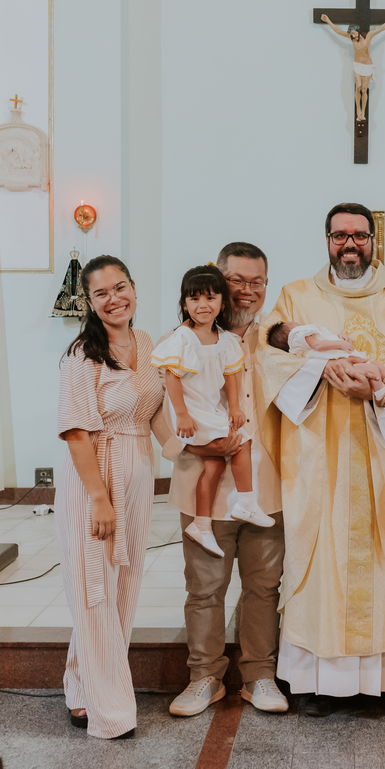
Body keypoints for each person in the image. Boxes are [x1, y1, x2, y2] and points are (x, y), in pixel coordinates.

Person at [257, 202, 385, 718]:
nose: (349, 245)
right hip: (318, 455)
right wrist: (318, 374)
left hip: (382, 448)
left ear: (374, 240)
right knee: (317, 556)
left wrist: (380, 391)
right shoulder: (296, 296)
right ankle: (315, 683)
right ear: (326, 239)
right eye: (339, 236)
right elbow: (270, 356)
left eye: (359, 236)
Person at [162, 243, 289, 717]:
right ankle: (205, 678)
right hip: (205, 486)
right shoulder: (180, 339)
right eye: (237, 280)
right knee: (205, 587)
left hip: (265, 486)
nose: (248, 291)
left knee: (263, 587)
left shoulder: (274, 339)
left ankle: (259, 675)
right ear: (216, 281)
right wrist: (193, 446)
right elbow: (161, 409)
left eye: (257, 281)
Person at [55, 255, 164, 740]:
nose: (114, 299)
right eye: (102, 293)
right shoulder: (83, 354)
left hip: (139, 470)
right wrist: (100, 500)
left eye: (120, 288)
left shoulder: (146, 342)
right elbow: (76, 433)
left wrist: (201, 449)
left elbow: (155, 410)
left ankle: (80, 689)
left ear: (134, 289)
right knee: (94, 588)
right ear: (91, 302)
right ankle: (111, 711)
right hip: (96, 475)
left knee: (122, 587)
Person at [153, 266, 272, 558]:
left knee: (215, 466)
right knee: (241, 443)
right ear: (184, 303)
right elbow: (172, 377)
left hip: (213, 410)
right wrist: (181, 414)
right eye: (194, 299)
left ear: (222, 302)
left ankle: (201, 524)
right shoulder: (182, 338)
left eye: (210, 298)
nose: (202, 306)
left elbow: (231, 376)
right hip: (194, 414)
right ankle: (246, 500)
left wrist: (234, 407)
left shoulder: (225, 340)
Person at [264, 320, 385, 406]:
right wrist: (339, 345)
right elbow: (318, 346)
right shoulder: (298, 335)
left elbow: (327, 339)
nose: (297, 322)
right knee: (373, 370)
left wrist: (341, 338)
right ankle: (381, 395)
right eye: (293, 323)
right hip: (343, 364)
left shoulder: (308, 334)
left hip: (347, 357)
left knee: (377, 366)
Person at [320, 12, 385, 121]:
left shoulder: (369, 36)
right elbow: (338, 31)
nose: (352, 35)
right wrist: (328, 20)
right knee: (357, 88)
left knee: (364, 89)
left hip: (367, 66)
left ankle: (363, 112)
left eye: (353, 33)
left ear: (357, 31)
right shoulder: (351, 38)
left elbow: (381, 28)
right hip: (357, 65)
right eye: (350, 34)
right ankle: (359, 112)